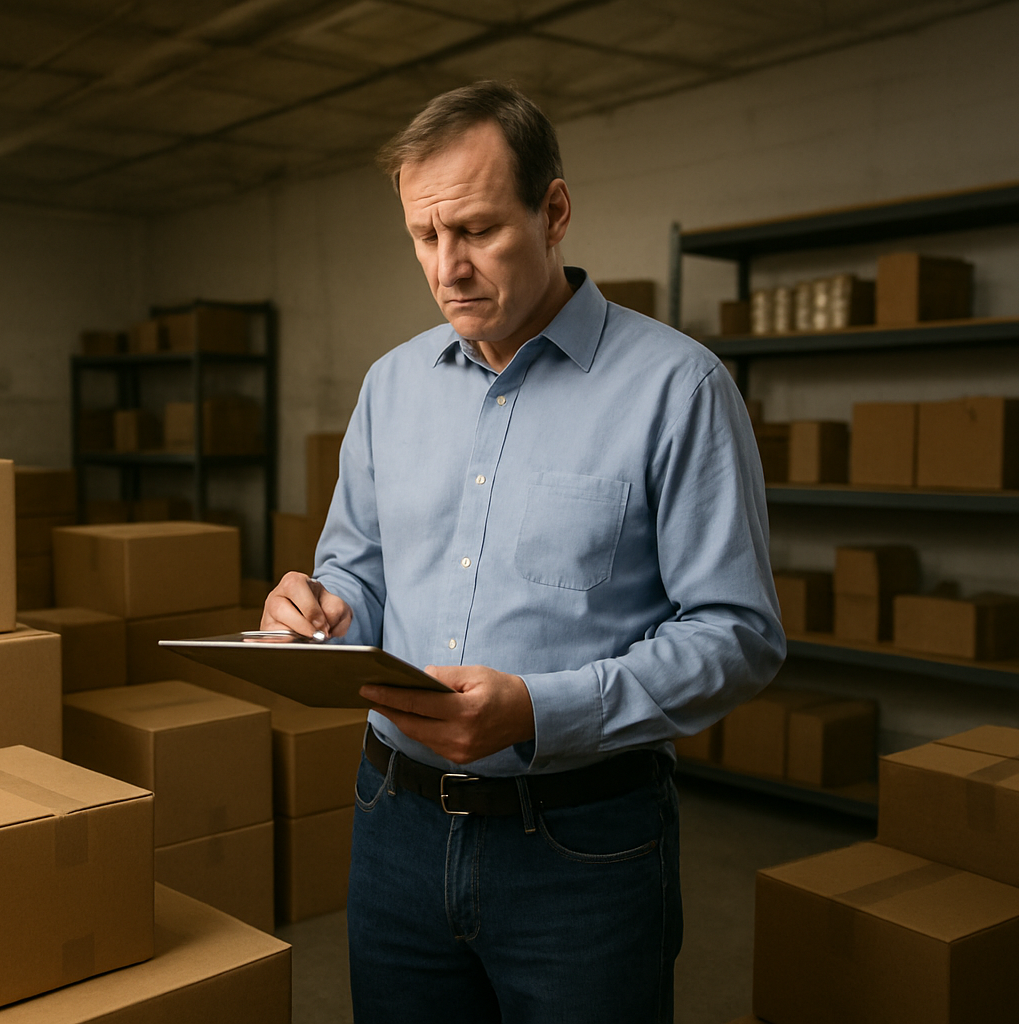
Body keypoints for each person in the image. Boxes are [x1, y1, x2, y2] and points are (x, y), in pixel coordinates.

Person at [261, 80, 784, 1024]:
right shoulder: (390, 388)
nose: (447, 267)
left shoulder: (679, 388)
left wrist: (540, 711)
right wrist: (324, 606)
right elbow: (359, 569)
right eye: (425, 237)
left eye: (476, 230)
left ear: (555, 211)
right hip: (396, 825)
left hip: (582, 848)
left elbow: (737, 635)